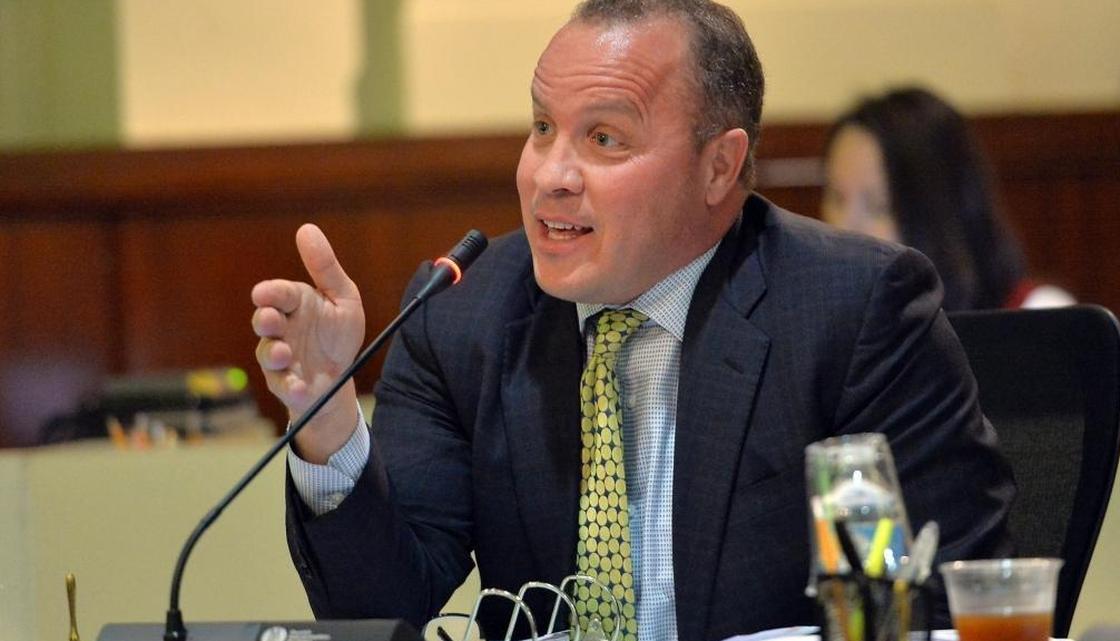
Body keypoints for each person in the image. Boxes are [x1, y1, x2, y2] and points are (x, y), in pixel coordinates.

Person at [251, 3, 1015, 640]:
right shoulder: (462, 315)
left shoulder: (851, 312)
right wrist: (329, 422)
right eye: (543, 127)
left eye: (604, 138)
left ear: (719, 166)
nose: (551, 175)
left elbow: (929, 609)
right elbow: (383, 612)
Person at [821, 86, 1075, 311]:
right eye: (836, 198)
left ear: (941, 217)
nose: (843, 227)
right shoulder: (821, 328)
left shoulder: (1038, 315)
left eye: (880, 206)